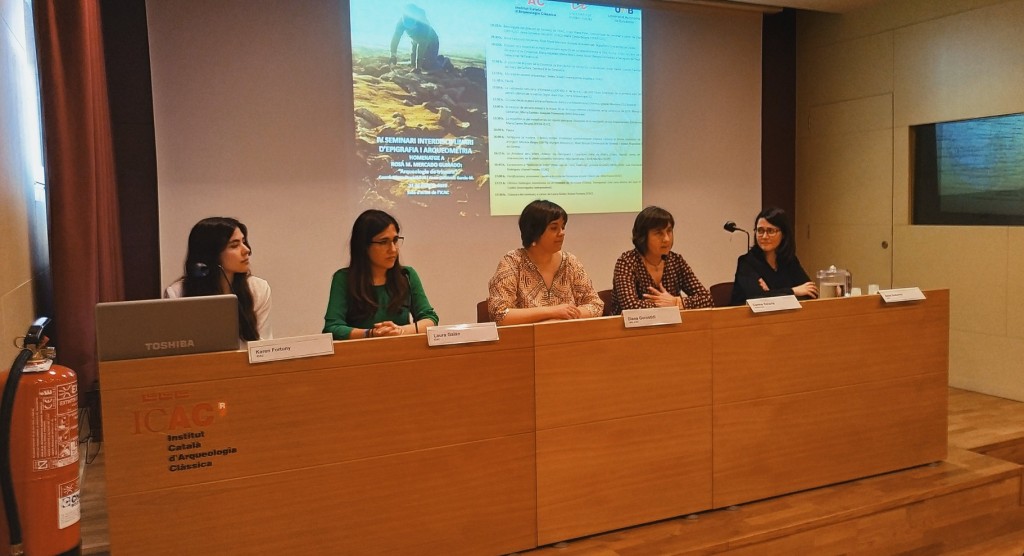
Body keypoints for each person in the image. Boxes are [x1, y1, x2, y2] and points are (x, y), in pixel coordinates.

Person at [323, 209, 438, 340]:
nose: (393, 249)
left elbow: (430, 319)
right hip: (360, 355)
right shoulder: (344, 279)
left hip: (403, 353)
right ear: (364, 246)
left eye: (395, 240)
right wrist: (370, 333)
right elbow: (332, 328)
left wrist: (401, 330)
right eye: (383, 242)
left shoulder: (406, 275)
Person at [487, 200, 603, 324]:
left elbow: (595, 305)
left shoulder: (570, 262)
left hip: (569, 337)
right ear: (534, 231)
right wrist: (552, 312)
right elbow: (499, 314)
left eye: (563, 227)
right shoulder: (512, 263)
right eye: (554, 228)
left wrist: (563, 318)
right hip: (526, 340)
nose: (562, 233)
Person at [164, 217, 272, 341]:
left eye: (244, 242)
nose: (246, 250)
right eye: (235, 245)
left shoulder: (258, 289)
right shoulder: (176, 293)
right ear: (211, 254)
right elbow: (175, 348)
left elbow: (264, 344)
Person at [611, 206, 713, 313]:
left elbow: (707, 299)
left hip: (671, 327)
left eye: (669, 231)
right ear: (643, 236)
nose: (667, 239)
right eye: (658, 233)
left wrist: (676, 302)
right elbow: (630, 306)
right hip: (630, 328)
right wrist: (667, 305)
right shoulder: (627, 262)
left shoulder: (676, 260)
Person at [730, 207, 818, 305]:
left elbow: (811, 292)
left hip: (784, 317)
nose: (764, 236)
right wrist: (793, 291)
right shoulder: (746, 262)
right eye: (760, 230)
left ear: (783, 234)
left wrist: (770, 294)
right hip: (746, 318)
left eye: (770, 231)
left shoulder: (789, 260)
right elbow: (756, 300)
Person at [389, 4, 450, 73]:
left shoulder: (424, 24)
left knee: (428, 66)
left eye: (412, 26)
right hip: (415, 40)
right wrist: (393, 55)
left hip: (432, 41)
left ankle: (444, 61)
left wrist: (418, 68)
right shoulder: (401, 23)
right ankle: (436, 59)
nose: (410, 28)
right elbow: (396, 38)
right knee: (413, 64)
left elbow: (422, 45)